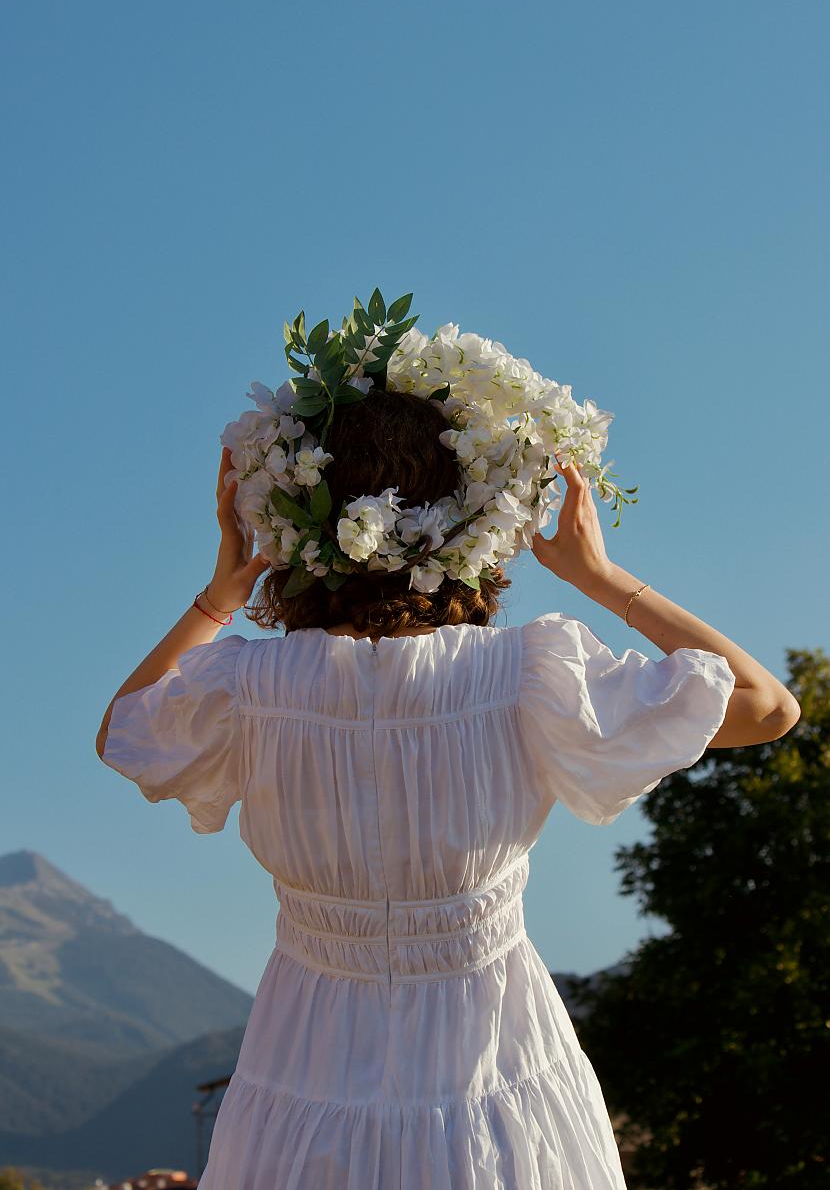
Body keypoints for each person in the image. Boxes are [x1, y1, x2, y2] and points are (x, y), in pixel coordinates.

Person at [95, 388, 800, 1189]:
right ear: (471, 516)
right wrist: (602, 578)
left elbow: (122, 731)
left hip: (302, 1068)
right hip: (494, 1075)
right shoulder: (525, 673)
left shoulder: (248, 686)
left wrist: (221, 592)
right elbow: (769, 707)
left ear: (297, 516)